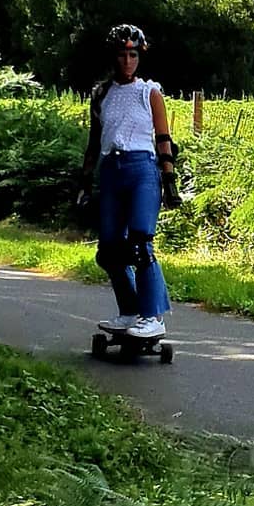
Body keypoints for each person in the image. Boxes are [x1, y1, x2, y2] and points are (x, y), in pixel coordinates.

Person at [79, 24, 181, 341]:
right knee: (109, 250)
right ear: (113, 57)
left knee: (140, 242)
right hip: (112, 169)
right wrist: (84, 183)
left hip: (142, 169)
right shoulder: (102, 95)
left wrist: (170, 182)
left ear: (140, 57)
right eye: (122, 54)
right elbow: (94, 143)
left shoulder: (149, 93)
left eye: (133, 54)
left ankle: (152, 316)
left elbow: (164, 139)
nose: (127, 61)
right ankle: (130, 310)